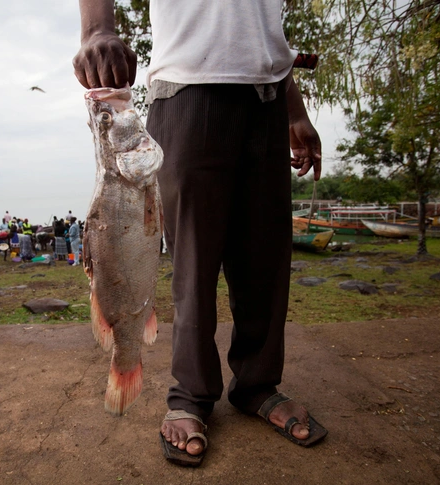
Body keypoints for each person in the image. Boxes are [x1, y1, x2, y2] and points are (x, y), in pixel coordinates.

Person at [74, 0, 325, 465]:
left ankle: (257, 385)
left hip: (268, 101)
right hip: (187, 92)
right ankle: (190, 394)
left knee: (265, 261)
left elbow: (264, 30)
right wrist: (96, 31)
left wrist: (295, 112)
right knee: (194, 262)